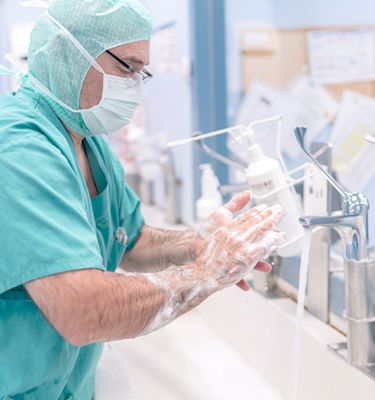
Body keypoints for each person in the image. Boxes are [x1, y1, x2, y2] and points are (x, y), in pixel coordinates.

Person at [0, 0, 286, 398]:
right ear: (70, 53)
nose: (135, 85)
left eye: (141, 72)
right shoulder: (18, 148)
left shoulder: (85, 140)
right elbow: (83, 310)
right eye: (128, 67)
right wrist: (207, 272)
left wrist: (200, 245)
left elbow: (128, 236)